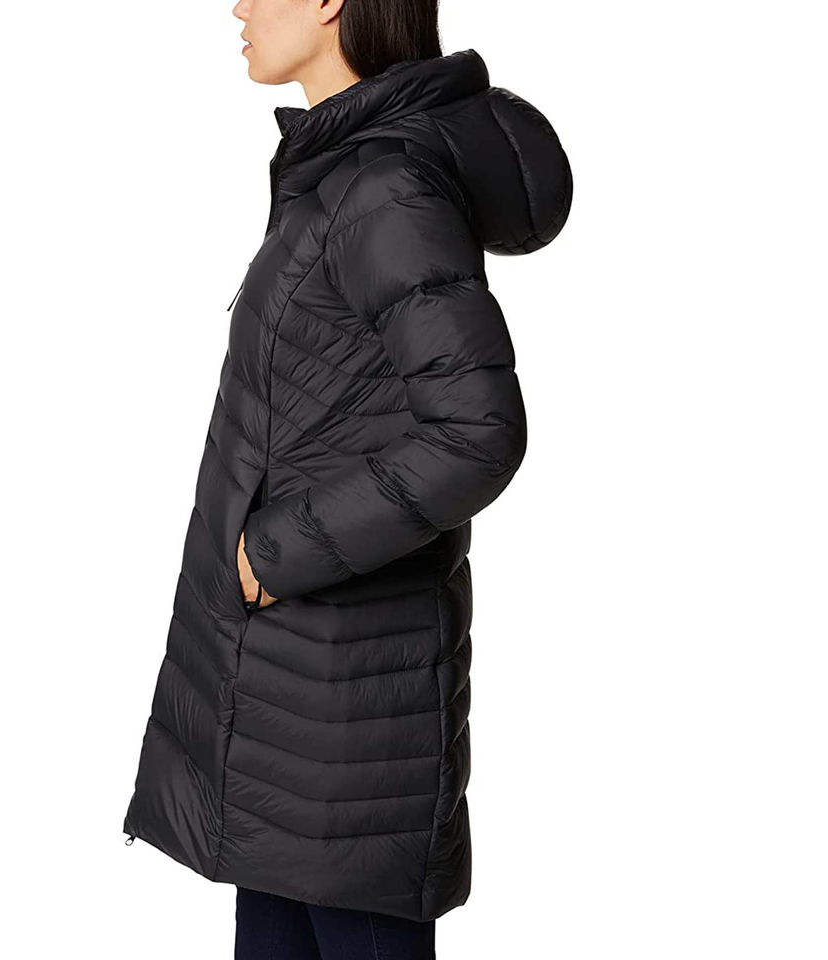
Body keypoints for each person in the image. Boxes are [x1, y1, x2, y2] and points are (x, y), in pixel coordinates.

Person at [123, 1, 572, 957]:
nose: (239, 7)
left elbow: (478, 432)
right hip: (284, 709)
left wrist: (274, 553)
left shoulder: (386, 190)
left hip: (349, 730)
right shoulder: (341, 176)